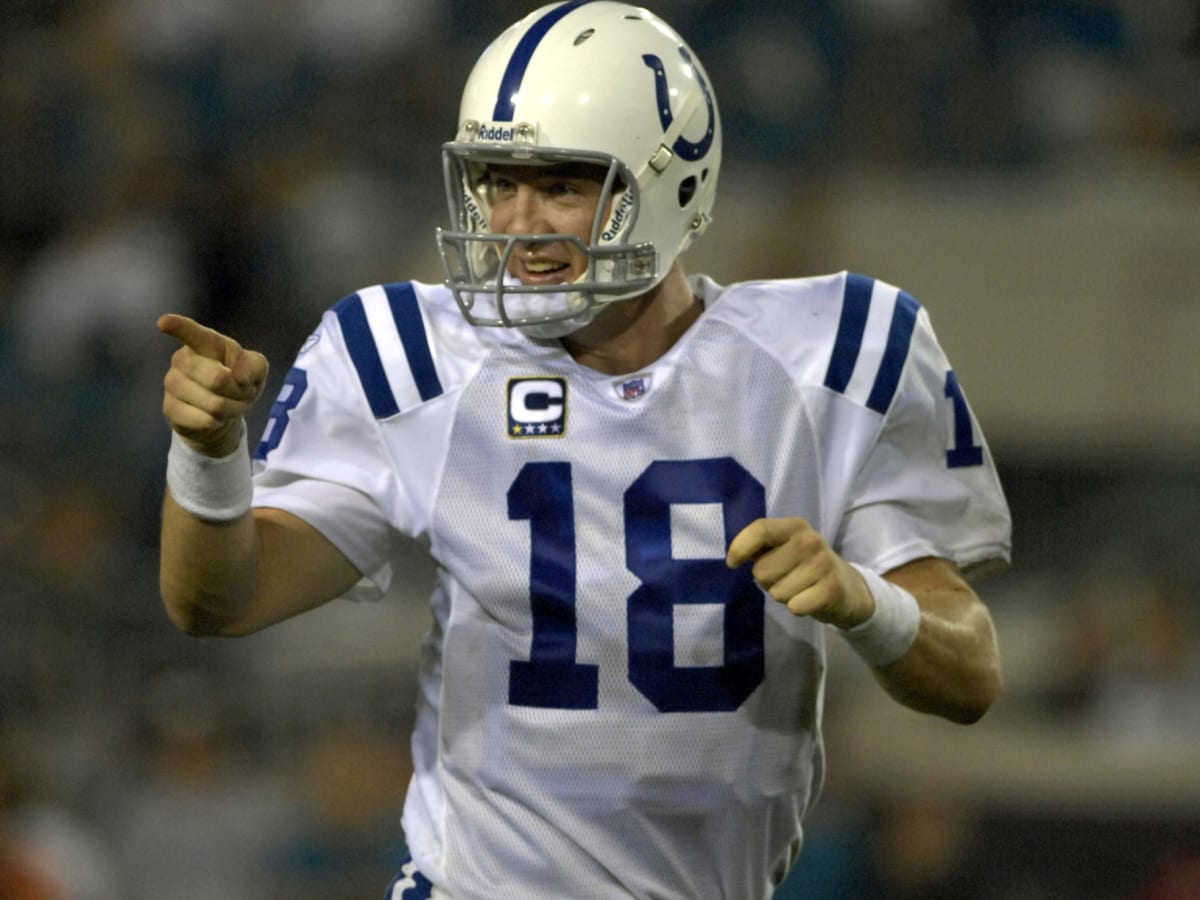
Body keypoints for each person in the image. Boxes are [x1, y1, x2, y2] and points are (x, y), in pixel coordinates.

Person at [157, 2, 1011, 898]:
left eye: (561, 186)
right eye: (496, 182)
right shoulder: (411, 352)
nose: (518, 223)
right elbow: (221, 600)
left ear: (673, 182)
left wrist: (863, 601)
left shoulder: (834, 355)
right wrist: (211, 454)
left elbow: (971, 674)